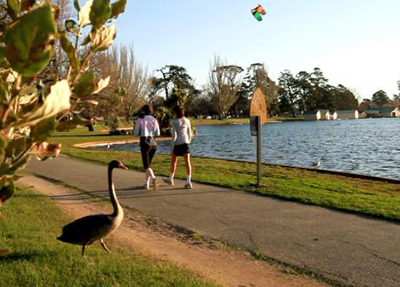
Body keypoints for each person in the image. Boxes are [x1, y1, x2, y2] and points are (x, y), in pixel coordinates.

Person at [163, 106, 193, 189]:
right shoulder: (187, 120)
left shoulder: (175, 122)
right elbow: (189, 133)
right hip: (186, 143)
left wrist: (172, 148)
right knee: (187, 162)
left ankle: (171, 179)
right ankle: (188, 181)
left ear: (176, 112)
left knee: (173, 161)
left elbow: (174, 136)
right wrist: (189, 141)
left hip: (177, 144)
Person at [134, 104, 160, 190]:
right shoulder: (154, 119)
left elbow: (135, 133)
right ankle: (146, 184)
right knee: (148, 165)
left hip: (145, 142)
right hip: (153, 142)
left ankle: (153, 178)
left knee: (146, 166)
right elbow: (158, 133)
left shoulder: (140, 119)